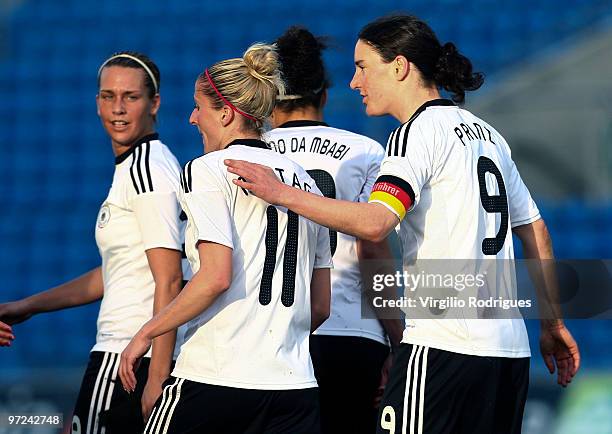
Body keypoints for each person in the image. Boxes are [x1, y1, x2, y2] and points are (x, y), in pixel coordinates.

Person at [225, 14, 581, 434]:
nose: (355, 83)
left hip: (445, 347)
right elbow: (535, 229)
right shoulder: (489, 134)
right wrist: (553, 324)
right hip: (509, 354)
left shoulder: (415, 133)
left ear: (399, 66)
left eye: (362, 67)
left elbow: (376, 224)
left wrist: (280, 192)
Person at [118, 43, 332, 434]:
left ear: (227, 112)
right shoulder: (306, 184)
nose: (192, 118)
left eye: (199, 107)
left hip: (215, 378)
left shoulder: (207, 170)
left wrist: (146, 333)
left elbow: (215, 276)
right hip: (294, 388)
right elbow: (319, 305)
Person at [0, 51, 190, 434]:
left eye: (131, 97)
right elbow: (121, 270)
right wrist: (29, 306)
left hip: (126, 357)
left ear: (154, 103)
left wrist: (157, 374)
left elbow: (169, 279)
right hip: (130, 355)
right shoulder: (141, 166)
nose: (117, 108)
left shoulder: (146, 170)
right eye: (108, 96)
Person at [266, 26, 404, 434]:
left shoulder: (248, 155)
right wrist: (396, 335)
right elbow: (372, 250)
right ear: (324, 95)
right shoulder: (365, 151)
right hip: (350, 331)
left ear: (270, 99)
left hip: (273, 334)